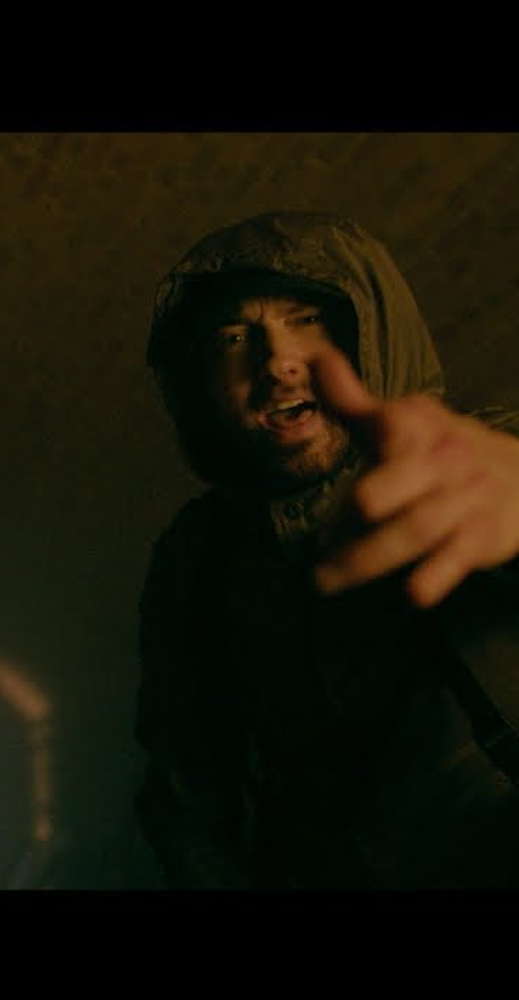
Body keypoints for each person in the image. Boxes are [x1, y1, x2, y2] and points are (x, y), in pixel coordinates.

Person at [135, 209, 519, 889]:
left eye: (308, 319)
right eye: (233, 337)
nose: (278, 361)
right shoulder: (197, 558)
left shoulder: (476, 463)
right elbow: (188, 792)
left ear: (374, 332)